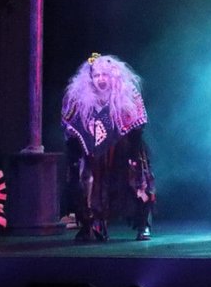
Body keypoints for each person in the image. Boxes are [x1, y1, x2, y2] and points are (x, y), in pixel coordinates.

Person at [61, 53, 155, 241]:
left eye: (105, 75)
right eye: (97, 75)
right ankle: (92, 224)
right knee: (88, 183)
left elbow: (137, 123)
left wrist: (131, 150)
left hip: (125, 148)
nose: (101, 79)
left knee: (136, 182)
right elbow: (70, 122)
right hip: (94, 153)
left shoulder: (127, 94)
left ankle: (143, 223)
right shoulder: (79, 99)